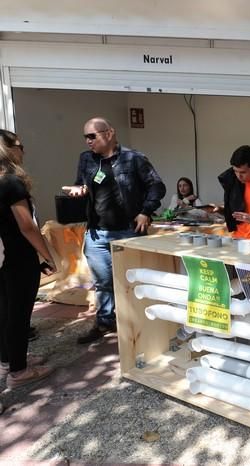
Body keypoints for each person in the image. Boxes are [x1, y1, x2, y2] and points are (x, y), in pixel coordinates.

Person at [66, 117, 166, 344]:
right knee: (103, 282)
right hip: (97, 233)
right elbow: (82, 183)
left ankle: (140, 322)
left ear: (109, 133)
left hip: (129, 231)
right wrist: (79, 190)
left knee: (134, 279)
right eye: (85, 137)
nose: (88, 141)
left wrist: (146, 211)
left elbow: (157, 186)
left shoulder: (134, 159)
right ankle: (105, 322)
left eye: (92, 136)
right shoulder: (86, 159)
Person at [0, 141, 56, 388]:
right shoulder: (11, 182)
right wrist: (47, 255)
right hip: (18, 258)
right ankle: (19, 371)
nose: (23, 150)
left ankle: (9, 360)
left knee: (5, 311)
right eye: (19, 144)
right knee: (19, 314)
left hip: (3, 257)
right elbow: (27, 226)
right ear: (8, 150)